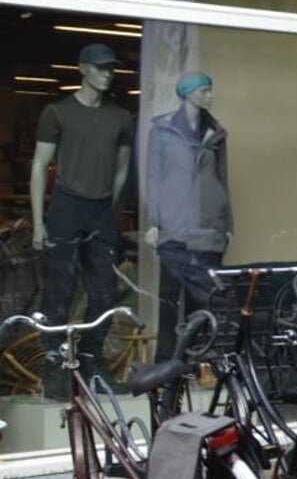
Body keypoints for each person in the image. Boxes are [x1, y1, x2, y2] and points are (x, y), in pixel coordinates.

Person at [31, 43, 133, 395]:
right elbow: (39, 165)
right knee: (59, 291)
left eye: (112, 68)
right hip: (66, 206)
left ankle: (91, 360)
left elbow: (122, 171)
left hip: (101, 210)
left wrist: (112, 213)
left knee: (104, 292)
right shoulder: (57, 112)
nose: (108, 73)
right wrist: (39, 222)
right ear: (83, 69)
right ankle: (56, 367)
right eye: (101, 67)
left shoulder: (120, 117)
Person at [145, 72, 232, 361]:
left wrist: (227, 224)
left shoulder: (216, 132)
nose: (210, 96)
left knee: (203, 299)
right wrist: (154, 221)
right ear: (189, 94)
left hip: (208, 228)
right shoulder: (163, 131)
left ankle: (195, 362)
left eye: (210, 90)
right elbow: (154, 178)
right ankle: (166, 361)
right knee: (169, 297)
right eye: (205, 90)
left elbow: (223, 179)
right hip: (174, 226)